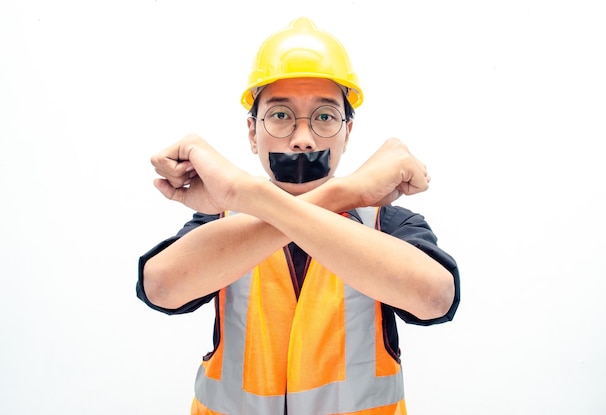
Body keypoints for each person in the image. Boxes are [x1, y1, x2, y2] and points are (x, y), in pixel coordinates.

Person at [137, 17, 460, 415]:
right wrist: (346, 189)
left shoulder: (384, 224)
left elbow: (435, 297)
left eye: (324, 117)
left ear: (347, 131)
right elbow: (161, 287)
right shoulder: (222, 224)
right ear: (253, 132)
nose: (303, 138)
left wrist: (253, 193)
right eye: (280, 116)